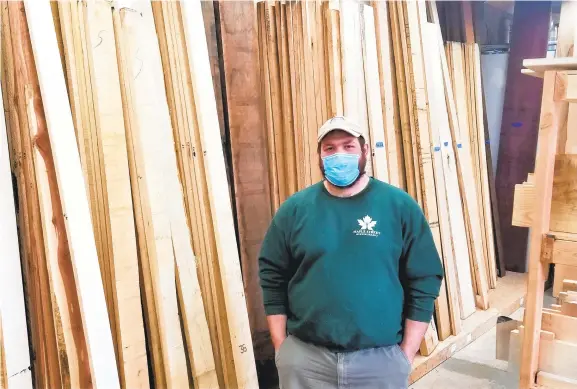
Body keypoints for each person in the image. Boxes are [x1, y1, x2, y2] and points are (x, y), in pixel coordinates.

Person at [258, 115, 444, 389]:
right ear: (319, 156)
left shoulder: (398, 207)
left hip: (379, 361)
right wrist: (282, 348)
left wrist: (405, 354)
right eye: (329, 149)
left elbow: (425, 278)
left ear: (365, 151)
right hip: (306, 361)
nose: (339, 155)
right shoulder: (295, 210)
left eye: (348, 146)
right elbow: (272, 274)